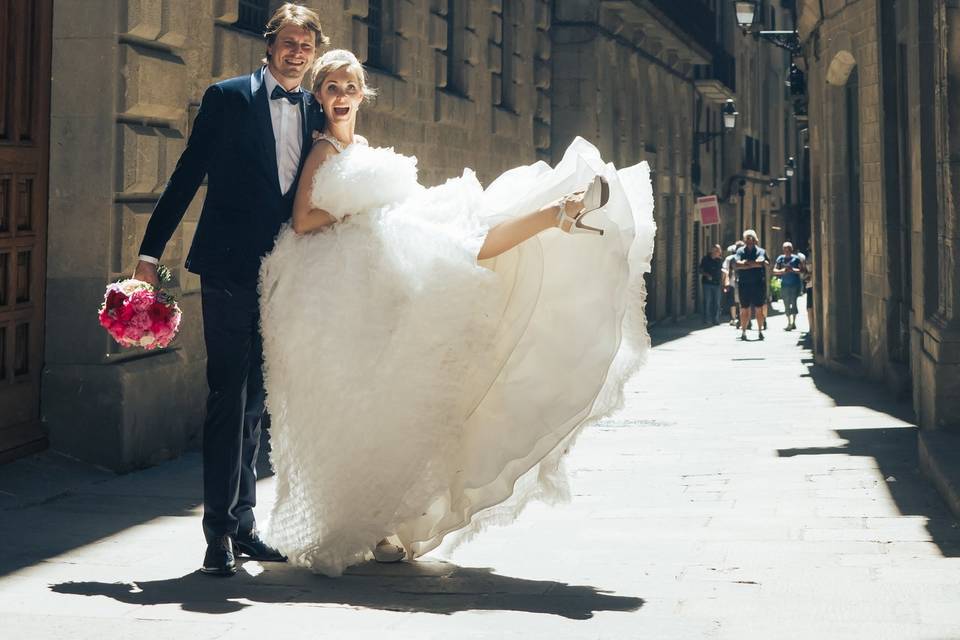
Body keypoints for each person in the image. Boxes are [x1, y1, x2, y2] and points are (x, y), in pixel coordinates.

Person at [258, 50, 656, 576]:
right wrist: (357, 209)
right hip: (351, 276)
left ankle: (558, 211)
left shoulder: (361, 145)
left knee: (468, 236)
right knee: (385, 387)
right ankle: (556, 213)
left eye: (349, 87)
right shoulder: (322, 149)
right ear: (319, 95)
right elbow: (305, 219)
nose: (341, 97)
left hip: (383, 256)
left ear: (362, 94)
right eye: (331, 88)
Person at [133, 4, 327, 576]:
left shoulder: (318, 107)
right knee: (226, 394)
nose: (296, 53)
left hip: (286, 272)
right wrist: (149, 254)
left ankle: (245, 525)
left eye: (306, 46)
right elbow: (187, 174)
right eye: (288, 42)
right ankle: (217, 532)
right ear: (269, 46)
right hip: (227, 268)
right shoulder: (227, 97)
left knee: (256, 403)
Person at [735, 229, 768, 341]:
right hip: (744, 284)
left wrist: (746, 263)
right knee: (744, 309)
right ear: (744, 240)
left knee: (759, 309)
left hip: (758, 284)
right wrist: (753, 264)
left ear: (755, 240)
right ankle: (743, 332)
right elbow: (737, 264)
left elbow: (762, 263)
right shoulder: (740, 251)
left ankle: (760, 331)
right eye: (747, 239)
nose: (749, 241)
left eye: (751, 239)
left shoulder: (761, 251)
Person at [773, 241, 803, 331]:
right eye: (785, 249)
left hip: (795, 284)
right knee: (786, 303)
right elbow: (774, 270)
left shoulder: (796, 259)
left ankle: (793, 322)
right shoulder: (780, 258)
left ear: (791, 249)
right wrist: (783, 271)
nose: (786, 251)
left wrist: (792, 270)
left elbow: (802, 270)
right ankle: (789, 322)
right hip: (785, 284)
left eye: (788, 249)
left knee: (793, 302)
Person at [699, 244, 724, 324]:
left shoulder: (720, 260)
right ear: (712, 251)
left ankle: (715, 319)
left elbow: (723, 271)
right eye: (717, 251)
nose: (718, 252)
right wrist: (707, 275)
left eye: (719, 251)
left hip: (717, 283)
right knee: (707, 301)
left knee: (717, 302)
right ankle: (706, 319)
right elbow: (700, 270)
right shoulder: (705, 259)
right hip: (707, 283)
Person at [722, 241, 744, 326]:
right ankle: (734, 318)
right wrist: (725, 283)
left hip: (741, 282)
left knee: (738, 302)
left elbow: (725, 271)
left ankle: (738, 318)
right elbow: (725, 271)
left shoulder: (744, 257)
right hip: (732, 282)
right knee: (733, 302)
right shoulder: (730, 258)